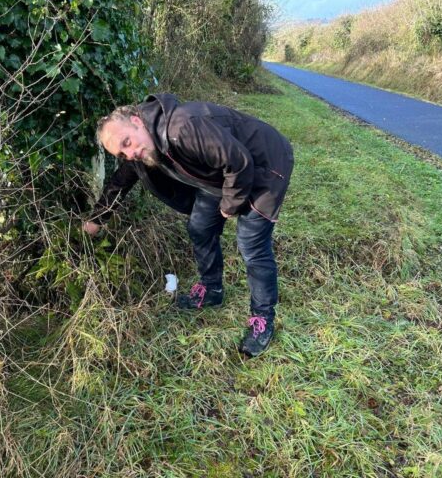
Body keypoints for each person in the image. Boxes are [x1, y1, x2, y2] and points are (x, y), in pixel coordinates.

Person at [83, 94, 294, 357]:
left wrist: (229, 206)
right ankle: (212, 289)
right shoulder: (143, 149)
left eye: (127, 142)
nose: (131, 153)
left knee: (251, 244)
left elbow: (239, 162)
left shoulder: (181, 127)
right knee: (200, 227)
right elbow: (120, 182)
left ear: (137, 122)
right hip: (219, 173)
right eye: (122, 153)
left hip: (265, 164)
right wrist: (96, 220)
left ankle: (262, 320)